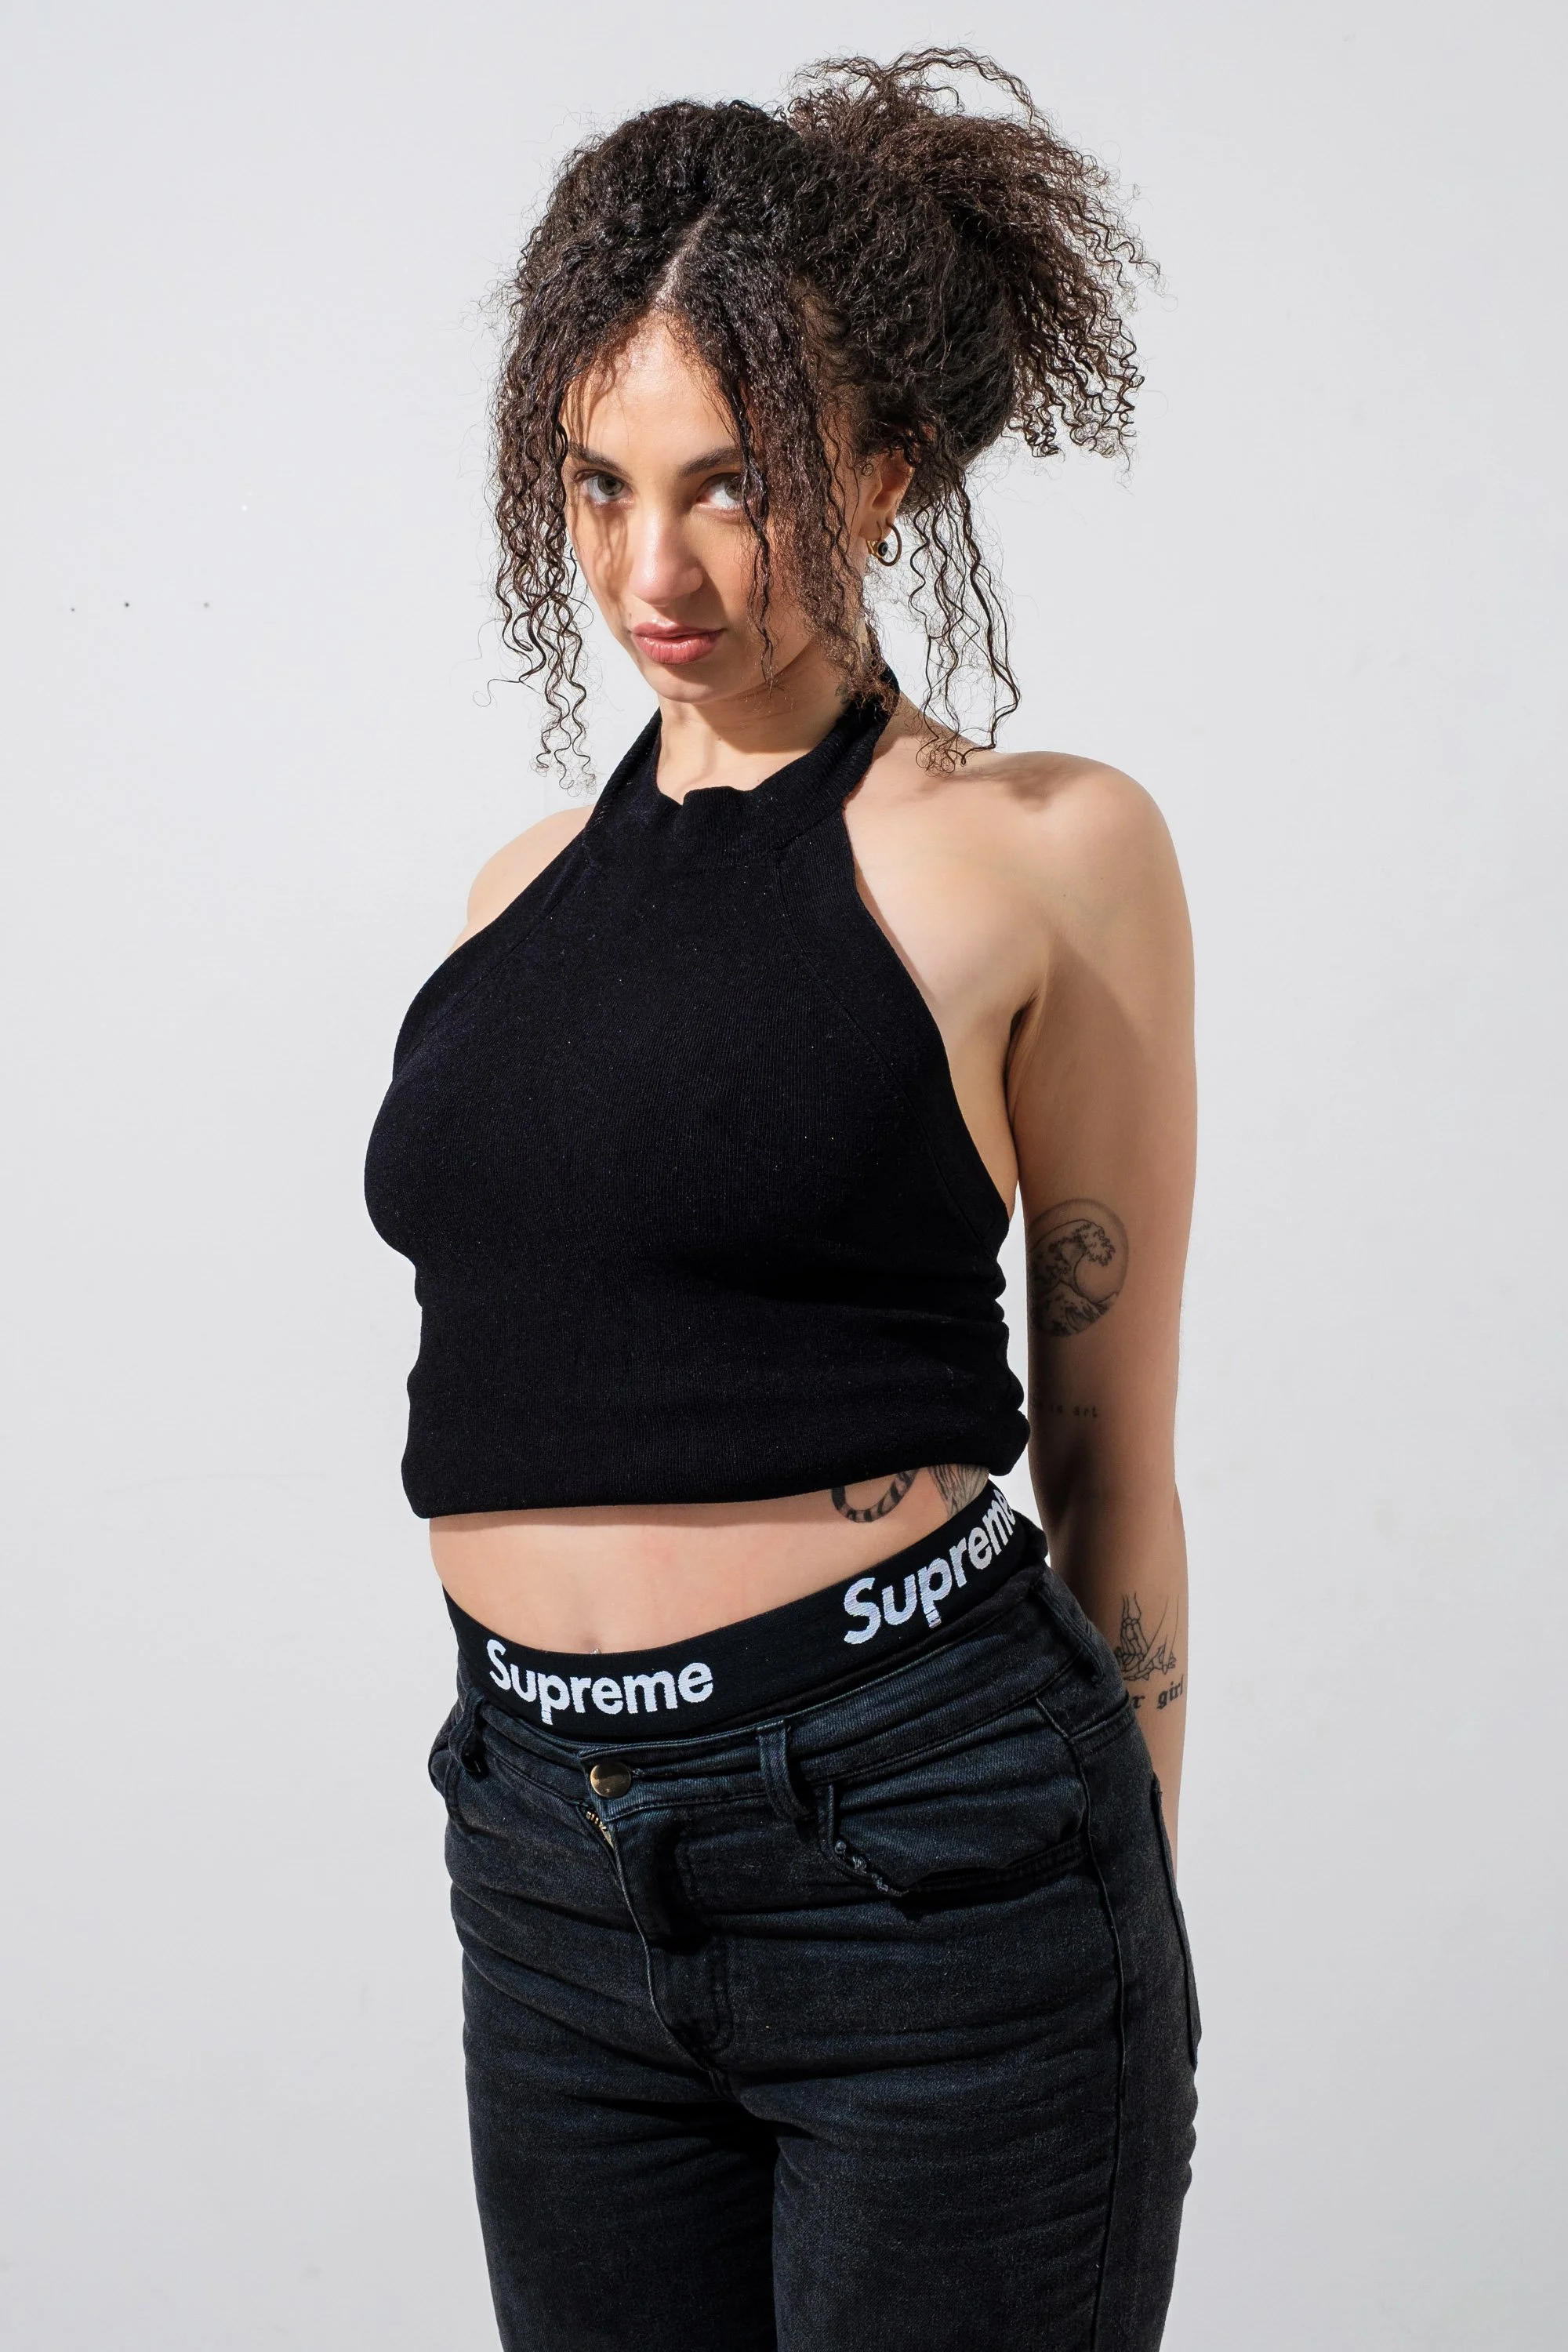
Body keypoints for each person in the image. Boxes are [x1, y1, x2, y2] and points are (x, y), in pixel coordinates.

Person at [365, 47, 1199, 2352]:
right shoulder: (512, 894)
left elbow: (1120, 1451)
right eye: (601, 483)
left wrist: (1100, 1884)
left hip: (935, 1853)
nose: (656, 569)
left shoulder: (1042, 852)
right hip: (542, 1859)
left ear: (890, 467)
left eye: (735, 488)